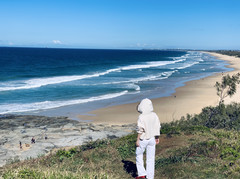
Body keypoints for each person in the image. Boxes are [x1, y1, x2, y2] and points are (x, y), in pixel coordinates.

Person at [136, 98, 161, 179]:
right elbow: (157, 126)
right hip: (152, 139)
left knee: (139, 155)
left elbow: (140, 129)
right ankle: (150, 177)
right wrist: (157, 137)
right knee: (151, 158)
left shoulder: (141, 116)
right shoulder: (154, 115)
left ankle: (142, 174)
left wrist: (137, 140)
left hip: (143, 139)